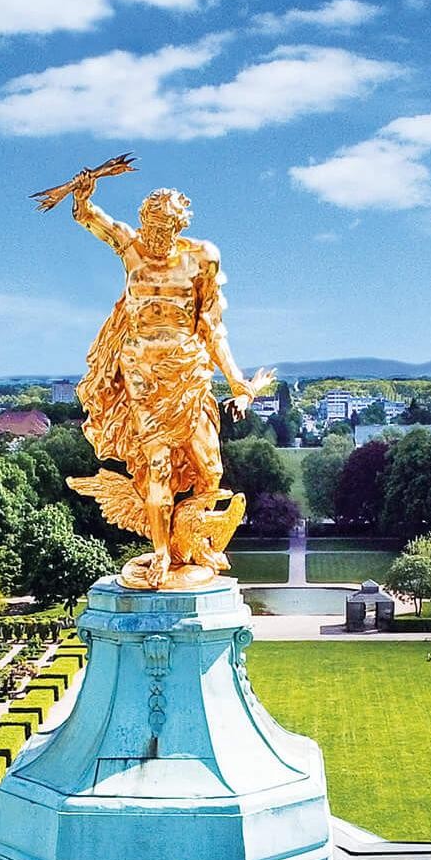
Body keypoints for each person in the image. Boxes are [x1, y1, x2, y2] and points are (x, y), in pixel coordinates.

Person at [64, 171, 270, 588]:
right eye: (150, 227)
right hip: (141, 372)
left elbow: (212, 325)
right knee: (156, 466)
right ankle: (161, 554)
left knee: (210, 470)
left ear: (179, 226)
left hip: (189, 373)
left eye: (163, 228)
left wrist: (236, 381)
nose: (154, 236)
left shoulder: (202, 257)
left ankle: (189, 542)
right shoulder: (132, 247)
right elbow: (92, 220)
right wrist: (82, 199)